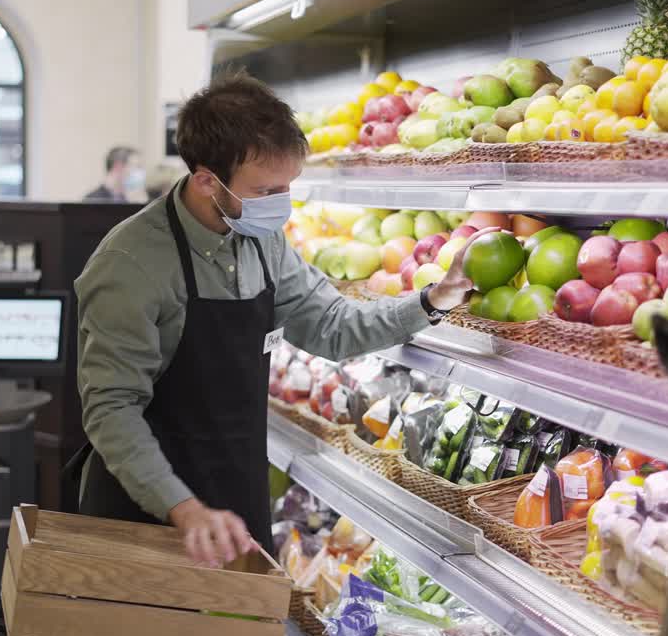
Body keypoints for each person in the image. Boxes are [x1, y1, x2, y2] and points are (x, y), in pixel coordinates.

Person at [69, 73, 492, 580]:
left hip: (234, 499)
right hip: (146, 511)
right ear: (207, 180)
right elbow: (111, 409)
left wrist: (433, 299)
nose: (280, 203)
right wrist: (183, 508)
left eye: (287, 187)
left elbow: (332, 325)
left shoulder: (262, 242)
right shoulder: (130, 264)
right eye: (266, 190)